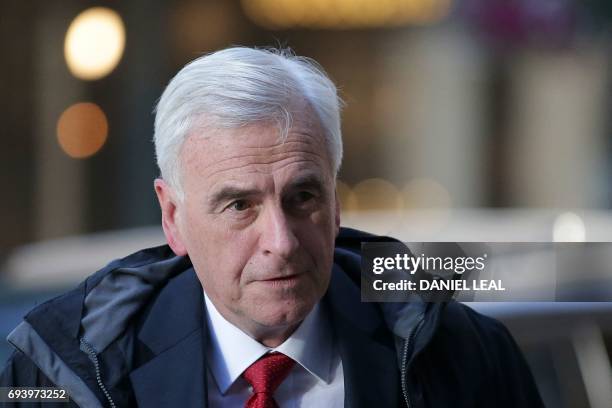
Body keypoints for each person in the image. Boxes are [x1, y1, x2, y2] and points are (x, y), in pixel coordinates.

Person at [1, 47, 544, 408]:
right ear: (174, 219)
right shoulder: (64, 369)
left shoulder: (460, 353)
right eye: (239, 206)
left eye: (302, 196)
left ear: (335, 203)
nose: (281, 243)